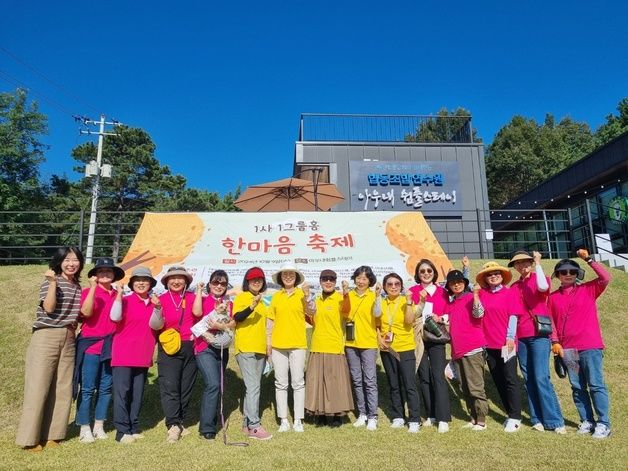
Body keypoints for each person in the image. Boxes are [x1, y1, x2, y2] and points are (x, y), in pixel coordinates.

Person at [16, 246, 85, 451]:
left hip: (69, 337)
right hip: (47, 334)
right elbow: (48, 307)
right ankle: (30, 439)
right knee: (38, 386)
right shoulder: (51, 281)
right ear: (59, 262)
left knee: (62, 387)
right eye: (67, 260)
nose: (71, 263)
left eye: (75, 260)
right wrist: (53, 283)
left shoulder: (78, 286)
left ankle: (53, 435)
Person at [549, 249, 612, 439]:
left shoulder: (589, 289)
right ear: (558, 275)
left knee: (596, 385)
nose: (568, 275)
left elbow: (605, 277)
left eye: (572, 271)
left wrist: (588, 259)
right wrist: (555, 342)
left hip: (590, 346)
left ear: (577, 274)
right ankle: (587, 420)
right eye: (563, 272)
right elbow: (551, 321)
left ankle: (603, 423)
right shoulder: (552, 297)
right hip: (567, 349)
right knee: (577, 387)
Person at [508, 250, 566, 433]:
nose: (522, 266)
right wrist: (511, 338)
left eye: (526, 262)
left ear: (531, 263)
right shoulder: (513, 287)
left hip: (539, 335)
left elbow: (542, 287)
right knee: (529, 379)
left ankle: (555, 421)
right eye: (518, 263)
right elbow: (512, 315)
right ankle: (536, 418)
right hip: (522, 337)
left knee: (541, 377)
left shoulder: (540, 278)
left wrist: (539, 262)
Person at [75, 257, 125, 443]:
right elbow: (86, 313)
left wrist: (119, 294)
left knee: (106, 388)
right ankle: (83, 426)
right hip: (91, 346)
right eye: (101, 271)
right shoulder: (88, 292)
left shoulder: (119, 294)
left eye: (109, 271)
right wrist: (93, 288)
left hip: (111, 346)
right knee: (88, 388)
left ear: (114, 275)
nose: (105, 274)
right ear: (95, 274)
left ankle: (98, 425)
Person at [109, 266, 161, 443]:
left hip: (143, 355)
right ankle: (122, 431)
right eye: (137, 280)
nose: (141, 283)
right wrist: (118, 295)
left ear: (150, 284)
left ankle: (133, 426)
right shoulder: (125, 300)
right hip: (123, 355)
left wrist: (158, 308)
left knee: (137, 393)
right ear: (132, 283)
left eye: (145, 280)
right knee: (122, 392)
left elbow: (157, 325)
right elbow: (115, 317)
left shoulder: (155, 303)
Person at [152, 266, 199, 443]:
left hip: (190, 345)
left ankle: (180, 420)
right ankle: (172, 424)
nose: (177, 281)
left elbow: (201, 316)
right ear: (166, 282)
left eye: (181, 278)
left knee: (186, 386)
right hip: (169, 347)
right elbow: (155, 325)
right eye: (172, 278)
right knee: (170, 386)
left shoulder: (194, 298)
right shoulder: (161, 300)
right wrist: (156, 309)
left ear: (186, 281)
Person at [475, 261, 523, 433]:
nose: (493, 276)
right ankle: (510, 414)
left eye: (496, 273)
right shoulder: (482, 294)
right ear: (485, 278)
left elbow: (513, 316)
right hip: (489, 345)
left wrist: (510, 337)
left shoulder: (510, 293)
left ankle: (516, 417)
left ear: (502, 276)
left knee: (510, 378)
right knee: (498, 380)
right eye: (489, 274)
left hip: (507, 344)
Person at [267, 263, 314, 433]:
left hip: (298, 344)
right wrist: (268, 342)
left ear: (296, 277)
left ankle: (299, 420)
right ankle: (283, 420)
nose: (288, 276)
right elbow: (270, 321)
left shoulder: (303, 294)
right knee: (280, 383)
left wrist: (308, 296)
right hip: (278, 345)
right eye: (285, 274)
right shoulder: (276, 297)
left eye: (291, 274)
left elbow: (311, 312)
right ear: (280, 277)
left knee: (298, 382)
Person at [305, 269, 354, 426]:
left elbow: (347, 311)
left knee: (335, 383)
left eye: (331, 279)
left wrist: (346, 293)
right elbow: (308, 317)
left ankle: (337, 415)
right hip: (318, 346)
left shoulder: (341, 299)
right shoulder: (316, 300)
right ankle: (320, 414)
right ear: (320, 281)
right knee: (317, 383)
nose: (328, 282)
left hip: (335, 347)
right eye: (325, 279)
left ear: (335, 282)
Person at [409, 258, 451, 433]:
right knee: (424, 376)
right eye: (422, 271)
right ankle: (431, 413)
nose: (426, 274)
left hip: (436, 335)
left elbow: (449, 312)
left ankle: (443, 418)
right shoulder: (413, 291)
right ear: (418, 274)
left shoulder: (442, 292)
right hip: (418, 336)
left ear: (434, 273)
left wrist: (440, 318)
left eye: (429, 271)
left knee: (438, 375)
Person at [191, 269, 234, 441]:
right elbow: (196, 314)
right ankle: (207, 428)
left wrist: (223, 325)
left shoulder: (228, 303)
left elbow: (232, 324)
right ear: (210, 284)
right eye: (215, 282)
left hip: (222, 348)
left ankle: (213, 421)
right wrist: (200, 292)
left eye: (223, 283)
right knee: (213, 384)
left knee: (219, 385)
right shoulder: (202, 299)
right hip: (203, 347)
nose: (219, 286)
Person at [232, 267, 272, 440]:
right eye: (253, 279)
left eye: (260, 279)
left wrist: (268, 347)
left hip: (260, 349)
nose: (257, 282)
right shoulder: (242, 297)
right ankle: (255, 426)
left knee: (253, 387)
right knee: (253, 386)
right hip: (246, 348)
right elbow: (238, 317)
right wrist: (251, 306)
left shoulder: (263, 302)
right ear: (247, 282)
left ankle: (247, 424)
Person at [446, 269, 489, 431]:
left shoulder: (471, 297)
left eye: (459, 282)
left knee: (475, 386)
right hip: (457, 350)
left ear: (464, 283)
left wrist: (476, 295)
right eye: (452, 283)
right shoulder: (452, 303)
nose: (456, 285)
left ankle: (481, 420)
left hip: (473, 348)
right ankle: (473, 417)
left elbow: (479, 314)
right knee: (464, 386)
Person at [378, 272, 421, 433]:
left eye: (397, 284)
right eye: (390, 284)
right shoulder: (380, 303)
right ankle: (398, 416)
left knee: (409, 385)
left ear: (401, 286)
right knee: (393, 384)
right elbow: (376, 324)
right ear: (384, 287)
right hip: (387, 348)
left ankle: (415, 419)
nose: (393, 287)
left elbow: (410, 321)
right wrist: (379, 339)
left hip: (405, 348)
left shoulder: (406, 301)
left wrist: (409, 303)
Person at [345, 265, 382, 431]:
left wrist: (378, 296)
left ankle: (373, 416)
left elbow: (377, 314)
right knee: (357, 379)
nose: (361, 281)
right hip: (350, 343)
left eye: (365, 278)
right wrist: (345, 295)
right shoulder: (348, 295)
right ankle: (362, 413)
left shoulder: (373, 295)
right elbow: (343, 313)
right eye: (359, 278)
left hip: (368, 343)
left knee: (370, 380)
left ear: (370, 281)